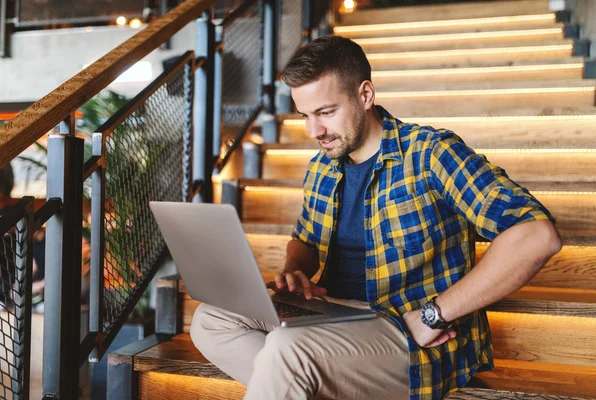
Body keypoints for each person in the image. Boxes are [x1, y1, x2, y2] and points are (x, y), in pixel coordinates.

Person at [190, 36, 562, 399]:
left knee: (286, 350)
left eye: (325, 112)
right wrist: (295, 269)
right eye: (304, 115)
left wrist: (435, 314)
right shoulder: (323, 165)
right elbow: (305, 240)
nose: (314, 131)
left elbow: (536, 236)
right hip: (331, 314)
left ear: (365, 95)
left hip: (406, 328)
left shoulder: (430, 154)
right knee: (210, 320)